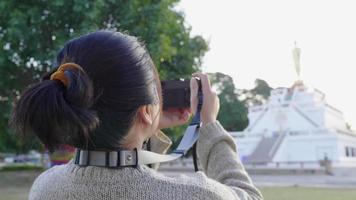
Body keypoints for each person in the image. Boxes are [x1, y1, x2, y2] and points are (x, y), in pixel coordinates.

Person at [10, 30, 263, 200]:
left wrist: (146, 125)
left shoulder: (44, 188)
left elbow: (127, 182)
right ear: (145, 111)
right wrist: (208, 125)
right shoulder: (194, 195)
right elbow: (247, 195)